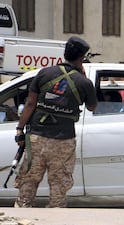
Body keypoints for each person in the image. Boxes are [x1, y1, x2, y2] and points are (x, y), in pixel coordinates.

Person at [14, 36, 97, 208]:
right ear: (82, 58)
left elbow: (30, 103)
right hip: (64, 141)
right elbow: (91, 107)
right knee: (59, 188)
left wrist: (20, 130)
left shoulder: (45, 73)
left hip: (37, 139)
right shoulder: (84, 82)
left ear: (65, 54)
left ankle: (22, 215)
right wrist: (84, 77)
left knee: (28, 183)